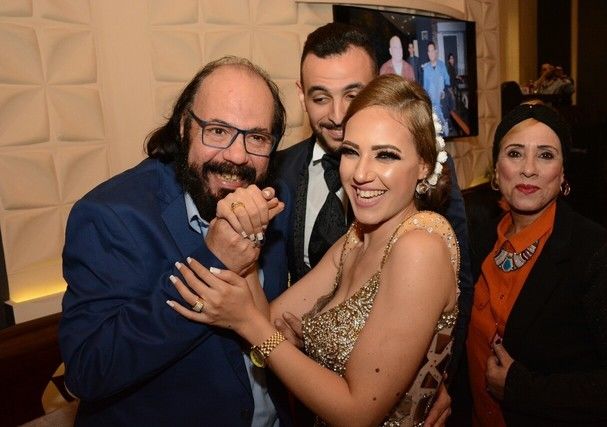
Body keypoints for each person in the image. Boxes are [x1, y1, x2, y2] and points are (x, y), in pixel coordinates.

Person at [168, 73, 460, 426]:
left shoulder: (420, 246)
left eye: (386, 155)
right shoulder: (356, 238)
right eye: (351, 151)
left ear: (424, 165)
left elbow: (357, 413)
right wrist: (248, 238)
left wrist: (247, 322)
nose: (361, 173)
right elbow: (272, 321)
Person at [59, 56, 294, 426]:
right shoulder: (111, 215)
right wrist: (213, 259)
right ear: (184, 127)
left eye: (257, 138)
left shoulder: (274, 199)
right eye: (218, 131)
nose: (237, 155)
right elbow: (88, 371)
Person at [272, 23, 473, 423]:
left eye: (353, 94)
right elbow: (278, 308)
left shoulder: (424, 204)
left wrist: (431, 377)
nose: (338, 114)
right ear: (301, 95)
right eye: (320, 97)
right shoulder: (278, 173)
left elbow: (456, 288)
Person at [465, 103, 607, 426]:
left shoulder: (600, 256)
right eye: (515, 153)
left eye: (545, 155)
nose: (528, 169)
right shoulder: (480, 241)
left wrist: (523, 390)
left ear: (562, 174)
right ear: (496, 170)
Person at [422, 41, 450, 136]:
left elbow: (447, 80)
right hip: (432, 103)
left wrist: (444, 91)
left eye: (432, 50)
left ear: (436, 51)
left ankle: (445, 126)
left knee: (444, 130)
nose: (431, 53)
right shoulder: (426, 68)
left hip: (441, 101)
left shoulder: (442, 65)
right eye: (429, 51)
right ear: (428, 53)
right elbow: (425, 87)